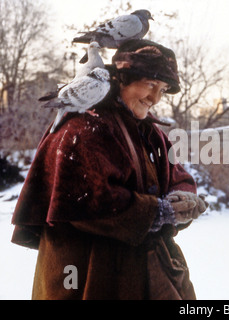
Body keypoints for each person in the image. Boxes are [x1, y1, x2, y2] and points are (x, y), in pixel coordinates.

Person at [11, 39, 208, 300]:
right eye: (150, 84)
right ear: (122, 79)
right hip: (88, 276)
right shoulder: (83, 128)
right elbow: (86, 202)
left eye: (162, 88)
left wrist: (182, 197)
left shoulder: (151, 133)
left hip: (149, 273)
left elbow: (178, 176)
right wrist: (156, 212)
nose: (156, 98)